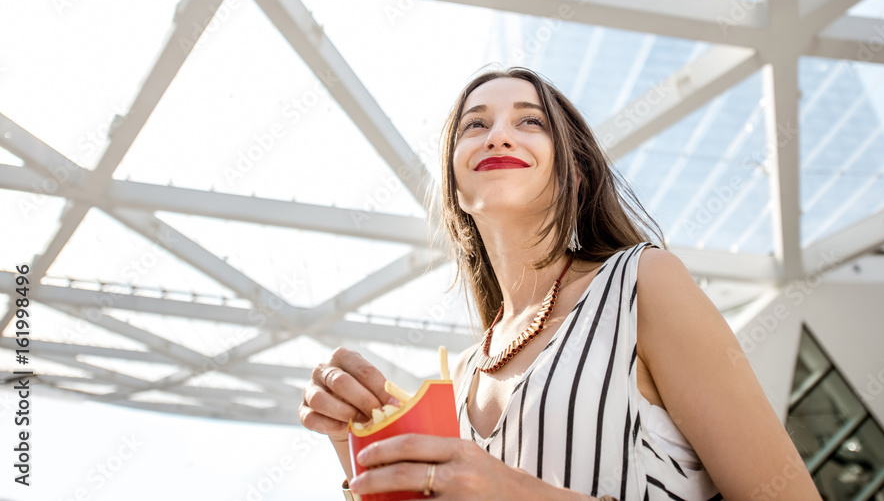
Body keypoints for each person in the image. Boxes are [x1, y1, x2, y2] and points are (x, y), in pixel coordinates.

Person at [300, 67, 822, 500]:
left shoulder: (641, 283)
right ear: (456, 188)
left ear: (575, 175)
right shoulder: (459, 377)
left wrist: (510, 492)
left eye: (530, 122)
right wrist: (362, 451)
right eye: (473, 126)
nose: (498, 134)